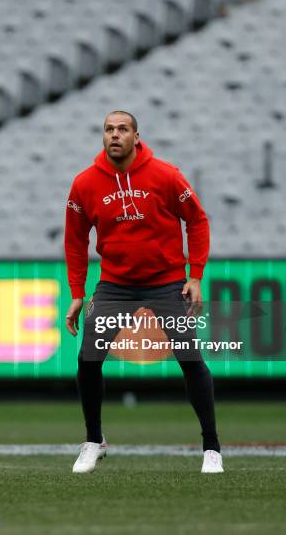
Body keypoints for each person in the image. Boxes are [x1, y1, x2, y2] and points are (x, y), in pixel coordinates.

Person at [64, 110, 222, 474]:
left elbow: (196, 220)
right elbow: (75, 240)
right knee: (88, 360)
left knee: (191, 360)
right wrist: (77, 291)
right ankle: (94, 440)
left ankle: (211, 448)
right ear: (102, 136)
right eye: (108, 129)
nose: (114, 135)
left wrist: (194, 276)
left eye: (122, 129)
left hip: (166, 282)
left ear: (136, 137)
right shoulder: (85, 183)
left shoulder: (165, 175)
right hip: (115, 285)